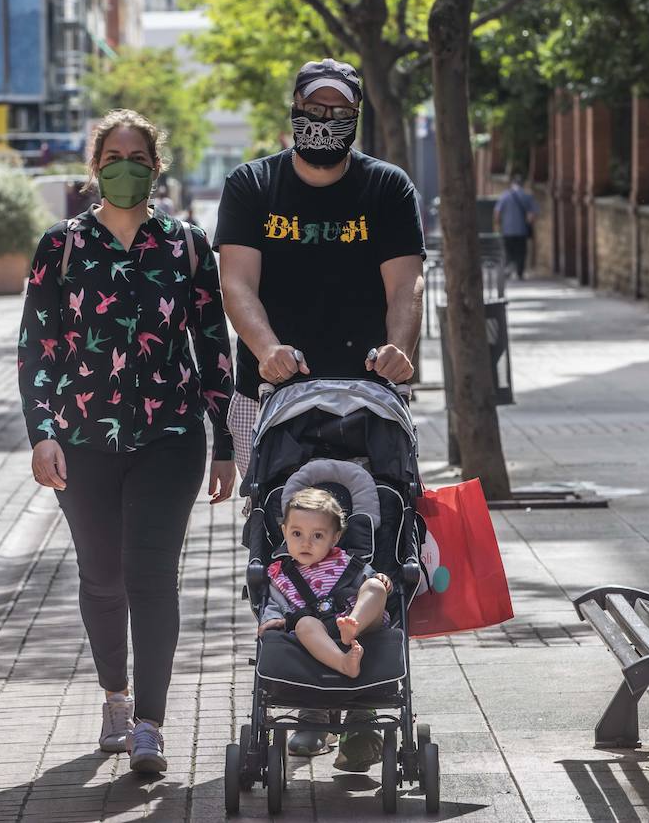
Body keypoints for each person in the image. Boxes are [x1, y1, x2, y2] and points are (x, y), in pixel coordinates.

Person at [215, 57, 424, 769]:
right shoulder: (252, 185)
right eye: (315, 108)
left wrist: (399, 351)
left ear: (354, 118)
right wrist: (267, 349)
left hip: (369, 397)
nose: (325, 122)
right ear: (295, 110)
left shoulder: (387, 188)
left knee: (378, 538)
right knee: (281, 539)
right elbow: (236, 282)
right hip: (275, 396)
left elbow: (405, 285)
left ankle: (365, 701)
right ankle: (304, 691)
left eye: (339, 112)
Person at [17, 108, 237, 775]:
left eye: (137, 155)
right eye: (113, 155)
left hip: (169, 438)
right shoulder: (60, 247)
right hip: (82, 441)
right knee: (102, 576)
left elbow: (211, 345)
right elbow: (37, 347)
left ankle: (149, 723)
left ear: (156, 165)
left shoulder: (187, 245)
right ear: (95, 166)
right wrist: (42, 434)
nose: (125, 166)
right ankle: (114, 694)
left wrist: (224, 440)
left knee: (150, 575)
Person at [257, 487, 391, 679]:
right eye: (297, 534)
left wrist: (382, 581)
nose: (306, 543)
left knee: (375, 587)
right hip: (317, 631)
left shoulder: (346, 562)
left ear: (334, 538)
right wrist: (271, 619)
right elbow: (273, 603)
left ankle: (352, 628)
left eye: (317, 535)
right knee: (304, 624)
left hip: (359, 622)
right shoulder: (281, 575)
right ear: (284, 532)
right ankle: (343, 663)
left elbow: (369, 587)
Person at [494, 172, 537, 281]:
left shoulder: (504, 196)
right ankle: (519, 272)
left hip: (507, 230)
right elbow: (532, 215)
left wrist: (498, 225)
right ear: (522, 184)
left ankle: (508, 268)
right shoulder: (527, 196)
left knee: (508, 251)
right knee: (521, 252)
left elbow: (497, 212)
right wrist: (529, 225)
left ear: (512, 183)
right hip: (521, 230)